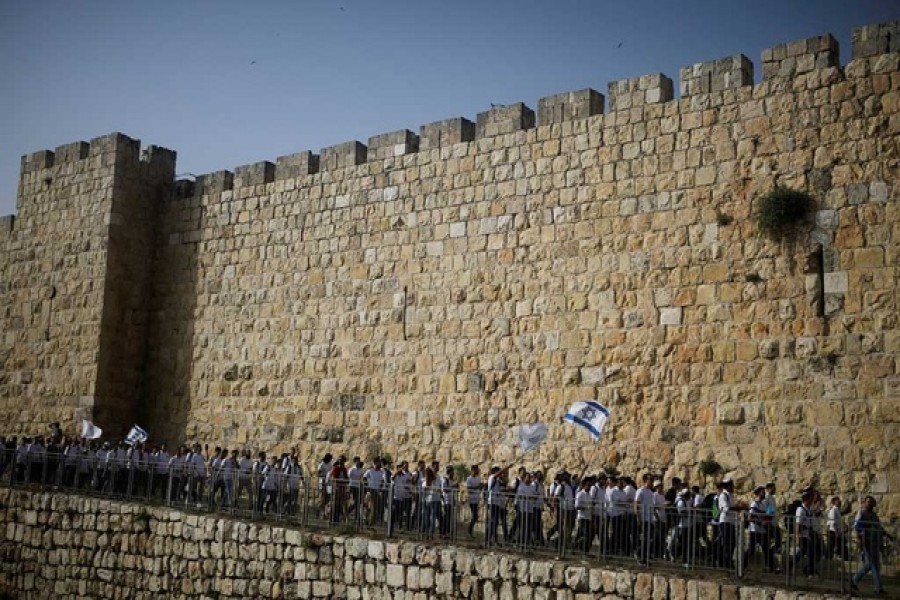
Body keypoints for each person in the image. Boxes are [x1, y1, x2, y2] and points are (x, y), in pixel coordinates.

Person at [849, 495, 893, 596]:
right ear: (865, 503)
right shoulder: (862, 514)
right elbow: (857, 527)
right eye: (867, 501)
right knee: (873, 565)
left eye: (870, 502)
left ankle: (854, 580)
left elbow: (879, 528)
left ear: (873, 504)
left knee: (871, 565)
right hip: (867, 543)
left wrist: (887, 535)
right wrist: (860, 540)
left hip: (874, 542)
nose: (868, 503)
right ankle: (878, 587)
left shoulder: (874, 516)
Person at [744, 486, 777, 573]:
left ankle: (770, 568)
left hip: (762, 531)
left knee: (766, 549)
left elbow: (765, 516)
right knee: (751, 550)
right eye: (762, 492)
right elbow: (750, 517)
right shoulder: (754, 504)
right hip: (754, 530)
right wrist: (760, 523)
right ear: (758, 493)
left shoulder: (763, 504)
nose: (764, 493)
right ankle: (742, 566)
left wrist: (767, 521)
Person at [635, 475, 656, 565]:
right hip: (644, 518)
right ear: (645, 481)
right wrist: (638, 518)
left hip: (650, 518)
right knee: (645, 538)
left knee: (649, 539)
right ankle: (639, 555)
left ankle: (643, 556)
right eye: (650, 479)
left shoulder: (651, 492)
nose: (651, 481)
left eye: (652, 479)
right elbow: (636, 504)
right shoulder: (640, 491)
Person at [826, 496, 848, 560]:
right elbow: (833, 522)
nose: (840, 502)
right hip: (833, 531)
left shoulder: (837, 510)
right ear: (834, 502)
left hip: (837, 531)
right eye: (838, 501)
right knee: (832, 545)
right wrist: (836, 532)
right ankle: (829, 557)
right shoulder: (833, 510)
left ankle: (843, 556)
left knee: (840, 544)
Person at [465, 465, 482, 537]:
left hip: (477, 499)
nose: (478, 471)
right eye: (476, 470)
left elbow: (479, 488)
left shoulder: (478, 478)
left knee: (475, 516)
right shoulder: (469, 479)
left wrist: (481, 487)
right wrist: (477, 487)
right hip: (472, 500)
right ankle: (469, 532)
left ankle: (470, 532)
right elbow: (469, 489)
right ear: (473, 470)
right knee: (474, 516)